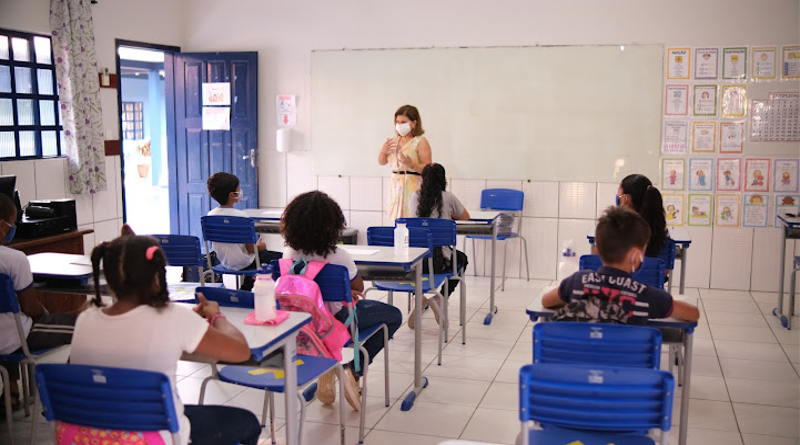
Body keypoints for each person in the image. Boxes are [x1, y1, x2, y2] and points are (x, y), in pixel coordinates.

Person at [69, 228, 261, 445]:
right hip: (153, 436)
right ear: (157, 277)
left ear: (109, 279)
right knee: (247, 423)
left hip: (93, 436)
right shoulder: (173, 317)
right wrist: (216, 316)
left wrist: (188, 323)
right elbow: (240, 351)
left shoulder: (85, 319)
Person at [281, 191, 402, 412]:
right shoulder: (339, 255)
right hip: (339, 320)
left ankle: (328, 367)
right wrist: (347, 291)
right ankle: (353, 370)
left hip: (305, 322)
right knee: (394, 316)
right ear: (333, 224)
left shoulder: (289, 253)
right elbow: (359, 288)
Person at [542, 206, 699, 324]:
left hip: (580, 358)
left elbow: (546, 301)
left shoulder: (577, 282)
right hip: (626, 359)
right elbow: (693, 314)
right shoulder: (648, 297)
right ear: (636, 256)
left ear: (598, 249)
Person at [0, 194, 80, 413]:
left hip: (5, 334)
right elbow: (31, 308)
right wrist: (46, 314)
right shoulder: (14, 259)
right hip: (12, 338)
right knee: (85, 326)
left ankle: (10, 393)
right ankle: (65, 397)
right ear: (2, 226)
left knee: (10, 319)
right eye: (12, 225)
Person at [407, 163, 470, 329]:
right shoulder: (448, 197)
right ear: (443, 180)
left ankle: (418, 297)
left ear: (423, 180)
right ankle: (440, 297)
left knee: (419, 268)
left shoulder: (414, 197)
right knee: (462, 259)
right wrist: (448, 215)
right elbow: (466, 217)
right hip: (439, 261)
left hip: (416, 262)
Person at [207, 172, 281, 291]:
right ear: (232, 195)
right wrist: (260, 246)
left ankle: (245, 287)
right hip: (244, 263)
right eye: (238, 188)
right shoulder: (241, 216)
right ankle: (248, 288)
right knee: (281, 259)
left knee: (255, 258)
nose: (240, 191)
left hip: (223, 262)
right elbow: (251, 249)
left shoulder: (210, 216)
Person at [378, 105, 433, 221]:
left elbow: (429, 169)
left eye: (403, 122)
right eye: (397, 122)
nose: (399, 125)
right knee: (396, 223)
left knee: (412, 220)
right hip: (396, 187)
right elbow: (382, 162)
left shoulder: (420, 142)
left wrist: (412, 164)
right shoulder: (394, 140)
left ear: (414, 123)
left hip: (413, 187)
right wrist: (383, 151)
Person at [615, 174, 668, 258]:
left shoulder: (615, 230)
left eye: (619, 195)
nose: (617, 197)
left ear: (626, 199)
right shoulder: (662, 230)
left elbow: (599, 259)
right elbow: (664, 266)